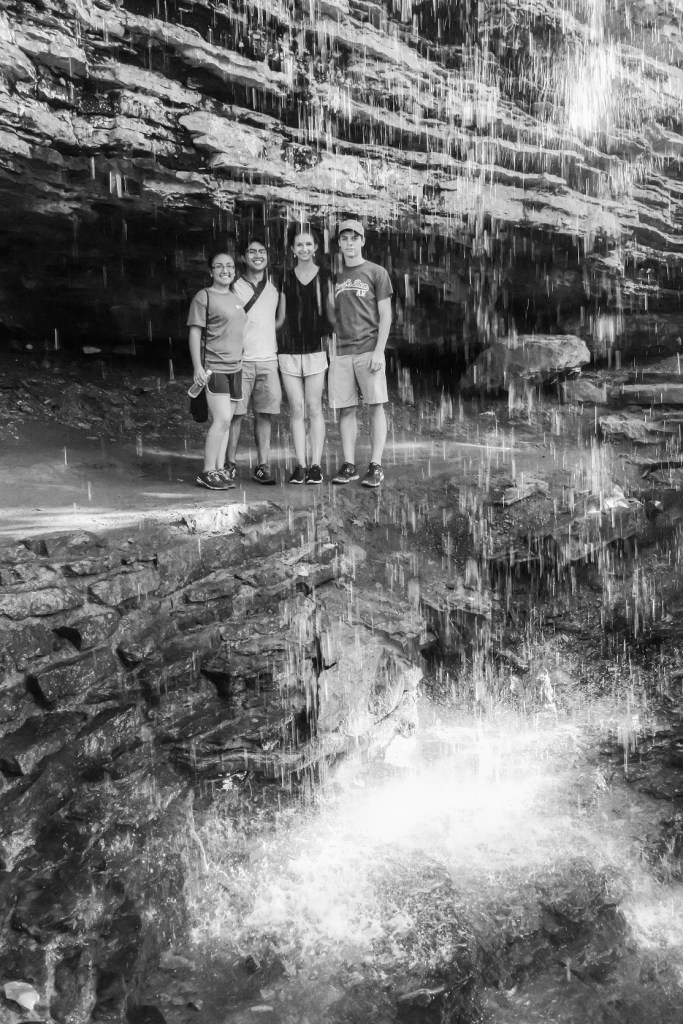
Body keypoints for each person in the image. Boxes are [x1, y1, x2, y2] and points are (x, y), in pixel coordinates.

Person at [328, 219, 393, 487]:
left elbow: (386, 313)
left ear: (363, 241)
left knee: (376, 406)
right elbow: (331, 314)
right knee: (346, 409)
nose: (349, 243)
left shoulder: (377, 272)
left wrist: (380, 349)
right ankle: (349, 465)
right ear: (339, 243)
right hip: (341, 352)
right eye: (344, 238)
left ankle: (376, 464)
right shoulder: (334, 275)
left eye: (355, 238)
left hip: (369, 349)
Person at [225, 236, 285, 486]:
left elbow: (279, 320)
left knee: (265, 415)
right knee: (234, 415)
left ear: (268, 257)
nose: (257, 255)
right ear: (243, 257)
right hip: (241, 362)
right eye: (251, 251)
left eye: (262, 251)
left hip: (269, 361)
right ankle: (228, 464)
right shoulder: (233, 285)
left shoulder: (276, 285)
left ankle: (262, 466)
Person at [187, 250, 246, 490]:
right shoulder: (204, 297)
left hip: (236, 367)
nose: (225, 270)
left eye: (230, 266)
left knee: (228, 420)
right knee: (221, 420)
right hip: (215, 368)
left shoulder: (235, 296)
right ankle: (207, 471)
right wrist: (198, 367)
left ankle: (220, 469)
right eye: (219, 266)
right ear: (211, 270)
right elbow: (194, 332)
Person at [278, 226, 332, 485]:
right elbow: (280, 316)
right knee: (296, 408)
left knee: (313, 407)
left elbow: (332, 314)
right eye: (299, 245)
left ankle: (315, 465)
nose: (304, 249)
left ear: (316, 247)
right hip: (287, 350)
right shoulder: (285, 277)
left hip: (316, 349)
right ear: (292, 249)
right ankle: (299, 464)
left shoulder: (326, 276)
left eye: (308, 244)